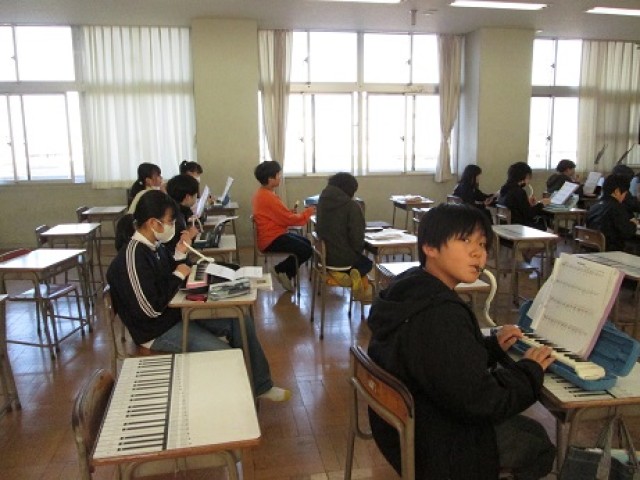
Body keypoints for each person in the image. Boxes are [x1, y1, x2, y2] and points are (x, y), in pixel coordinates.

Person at [367, 204, 556, 480]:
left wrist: (491, 347)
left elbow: (439, 361)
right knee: (540, 445)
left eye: (482, 243)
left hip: (401, 430)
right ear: (430, 247)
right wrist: (529, 371)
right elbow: (483, 401)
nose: (478, 252)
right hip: (438, 445)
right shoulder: (440, 314)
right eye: (465, 240)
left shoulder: (409, 287)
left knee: (532, 431)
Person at [107, 190, 290, 402]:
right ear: (153, 223)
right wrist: (178, 274)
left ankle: (261, 386)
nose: (173, 226)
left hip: (174, 314)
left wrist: (179, 255)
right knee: (225, 354)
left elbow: (167, 276)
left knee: (240, 321)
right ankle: (231, 403)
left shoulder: (154, 246)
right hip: (155, 331)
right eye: (170, 221)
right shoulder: (132, 257)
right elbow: (149, 309)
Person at [252, 161, 314, 292]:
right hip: (271, 239)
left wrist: (289, 213)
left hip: (273, 234)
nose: (280, 177)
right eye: (278, 175)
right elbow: (289, 219)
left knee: (307, 243)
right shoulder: (268, 197)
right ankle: (281, 270)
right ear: (270, 179)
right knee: (306, 250)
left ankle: (285, 272)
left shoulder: (263, 193)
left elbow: (279, 215)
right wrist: (308, 212)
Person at [316, 172, 373, 301]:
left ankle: (340, 274)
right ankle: (345, 277)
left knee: (358, 261)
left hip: (323, 258)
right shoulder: (351, 206)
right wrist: (359, 248)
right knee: (367, 263)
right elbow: (357, 238)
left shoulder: (322, 202)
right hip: (343, 260)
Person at [586, 174, 639, 251]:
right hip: (610, 250)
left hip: (592, 249)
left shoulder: (594, 206)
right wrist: (633, 224)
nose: (624, 197)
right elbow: (627, 233)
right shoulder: (617, 208)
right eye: (625, 193)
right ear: (617, 191)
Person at [497, 162, 551, 230]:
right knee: (550, 231)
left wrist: (528, 203)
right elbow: (529, 214)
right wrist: (542, 204)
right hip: (520, 227)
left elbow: (520, 208)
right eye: (529, 177)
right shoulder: (519, 191)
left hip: (507, 227)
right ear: (525, 176)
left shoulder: (504, 189)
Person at [165, 174, 201, 257]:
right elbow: (176, 250)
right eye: (195, 195)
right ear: (188, 197)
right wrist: (190, 236)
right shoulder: (177, 218)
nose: (196, 198)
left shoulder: (175, 210)